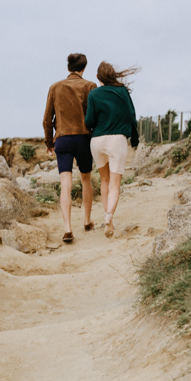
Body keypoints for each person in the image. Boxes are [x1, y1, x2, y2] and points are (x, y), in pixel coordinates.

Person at [43, 53, 98, 243]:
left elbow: (47, 120)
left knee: (65, 182)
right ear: (84, 68)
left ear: (68, 68)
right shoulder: (90, 86)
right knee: (86, 179)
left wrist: (49, 143)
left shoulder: (55, 87)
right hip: (84, 138)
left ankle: (67, 229)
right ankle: (87, 221)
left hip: (63, 139)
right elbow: (94, 115)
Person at [85, 61, 139, 238]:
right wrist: (135, 138)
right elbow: (131, 115)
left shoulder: (93, 94)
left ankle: (109, 220)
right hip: (117, 139)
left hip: (97, 140)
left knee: (104, 181)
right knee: (115, 184)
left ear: (98, 77)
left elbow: (89, 121)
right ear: (113, 75)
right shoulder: (122, 92)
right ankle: (109, 217)